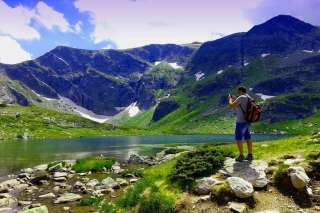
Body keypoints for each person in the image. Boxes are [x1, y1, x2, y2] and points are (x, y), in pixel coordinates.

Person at [228, 86, 253, 162]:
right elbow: (240, 106)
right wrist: (235, 99)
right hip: (247, 121)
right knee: (248, 138)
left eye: (238, 92)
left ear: (241, 91)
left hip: (240, 122)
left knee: (238, 139)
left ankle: (241, 155)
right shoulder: (249, 97)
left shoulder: (241, 97)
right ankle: (250, 155)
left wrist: (230, 99)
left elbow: (231, 105)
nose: (238, 94)